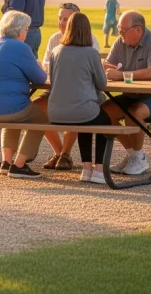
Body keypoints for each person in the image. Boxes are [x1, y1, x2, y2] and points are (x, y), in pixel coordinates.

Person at [0, 11, 48, 179]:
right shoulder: (20, 47)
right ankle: (19, 165)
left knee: (12, 114)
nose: (27, 33)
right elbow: (40, 78)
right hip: (9, 107)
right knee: (42, 119)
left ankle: (6, 162)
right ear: (20, 30)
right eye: (27, 29)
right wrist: (38, 65)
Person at [102, 10, 151, 176]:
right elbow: (107, 65)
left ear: (138, 29)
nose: (119, 34)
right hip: (132, 94)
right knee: (103, 113)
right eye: (119, 29)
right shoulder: (120, 42)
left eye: (123, 30)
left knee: (134, 113)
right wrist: (113, 71)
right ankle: (136, 155)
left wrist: (122, 75)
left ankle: (137, 157)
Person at [35, 3, 102, 171]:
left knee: (73, 101)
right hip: (62, 92)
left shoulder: (89, 42)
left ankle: (64, 154)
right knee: (35, 109)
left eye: (66, 19)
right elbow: (101, 81)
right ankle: (61, 154)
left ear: (73, 23)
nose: (62, 23)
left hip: (76, 93)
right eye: (59, 18)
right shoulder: (54, 40)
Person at [47, 12, 110, 184]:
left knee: (86, 122)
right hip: (82, 109)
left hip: (55, 112)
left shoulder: (56, 51)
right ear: (87, 31)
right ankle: (98, 169)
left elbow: (53, 81)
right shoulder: (91, 53)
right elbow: (102, 84)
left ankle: (86, 168)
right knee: (105, 121)